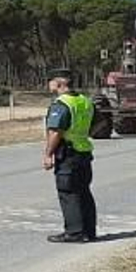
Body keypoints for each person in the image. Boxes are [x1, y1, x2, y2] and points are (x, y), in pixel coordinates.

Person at [42, 68, 97, 243]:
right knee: (84, 192)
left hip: (68, 154)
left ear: (59, 83)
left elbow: (55, 132)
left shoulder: (61, 104)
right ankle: (89, 231)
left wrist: (48, 154)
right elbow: (100, 124)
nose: (48, 84)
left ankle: (74, 232)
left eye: (50, 81)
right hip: (84, 153)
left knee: (68, 193)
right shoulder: (85, 102)